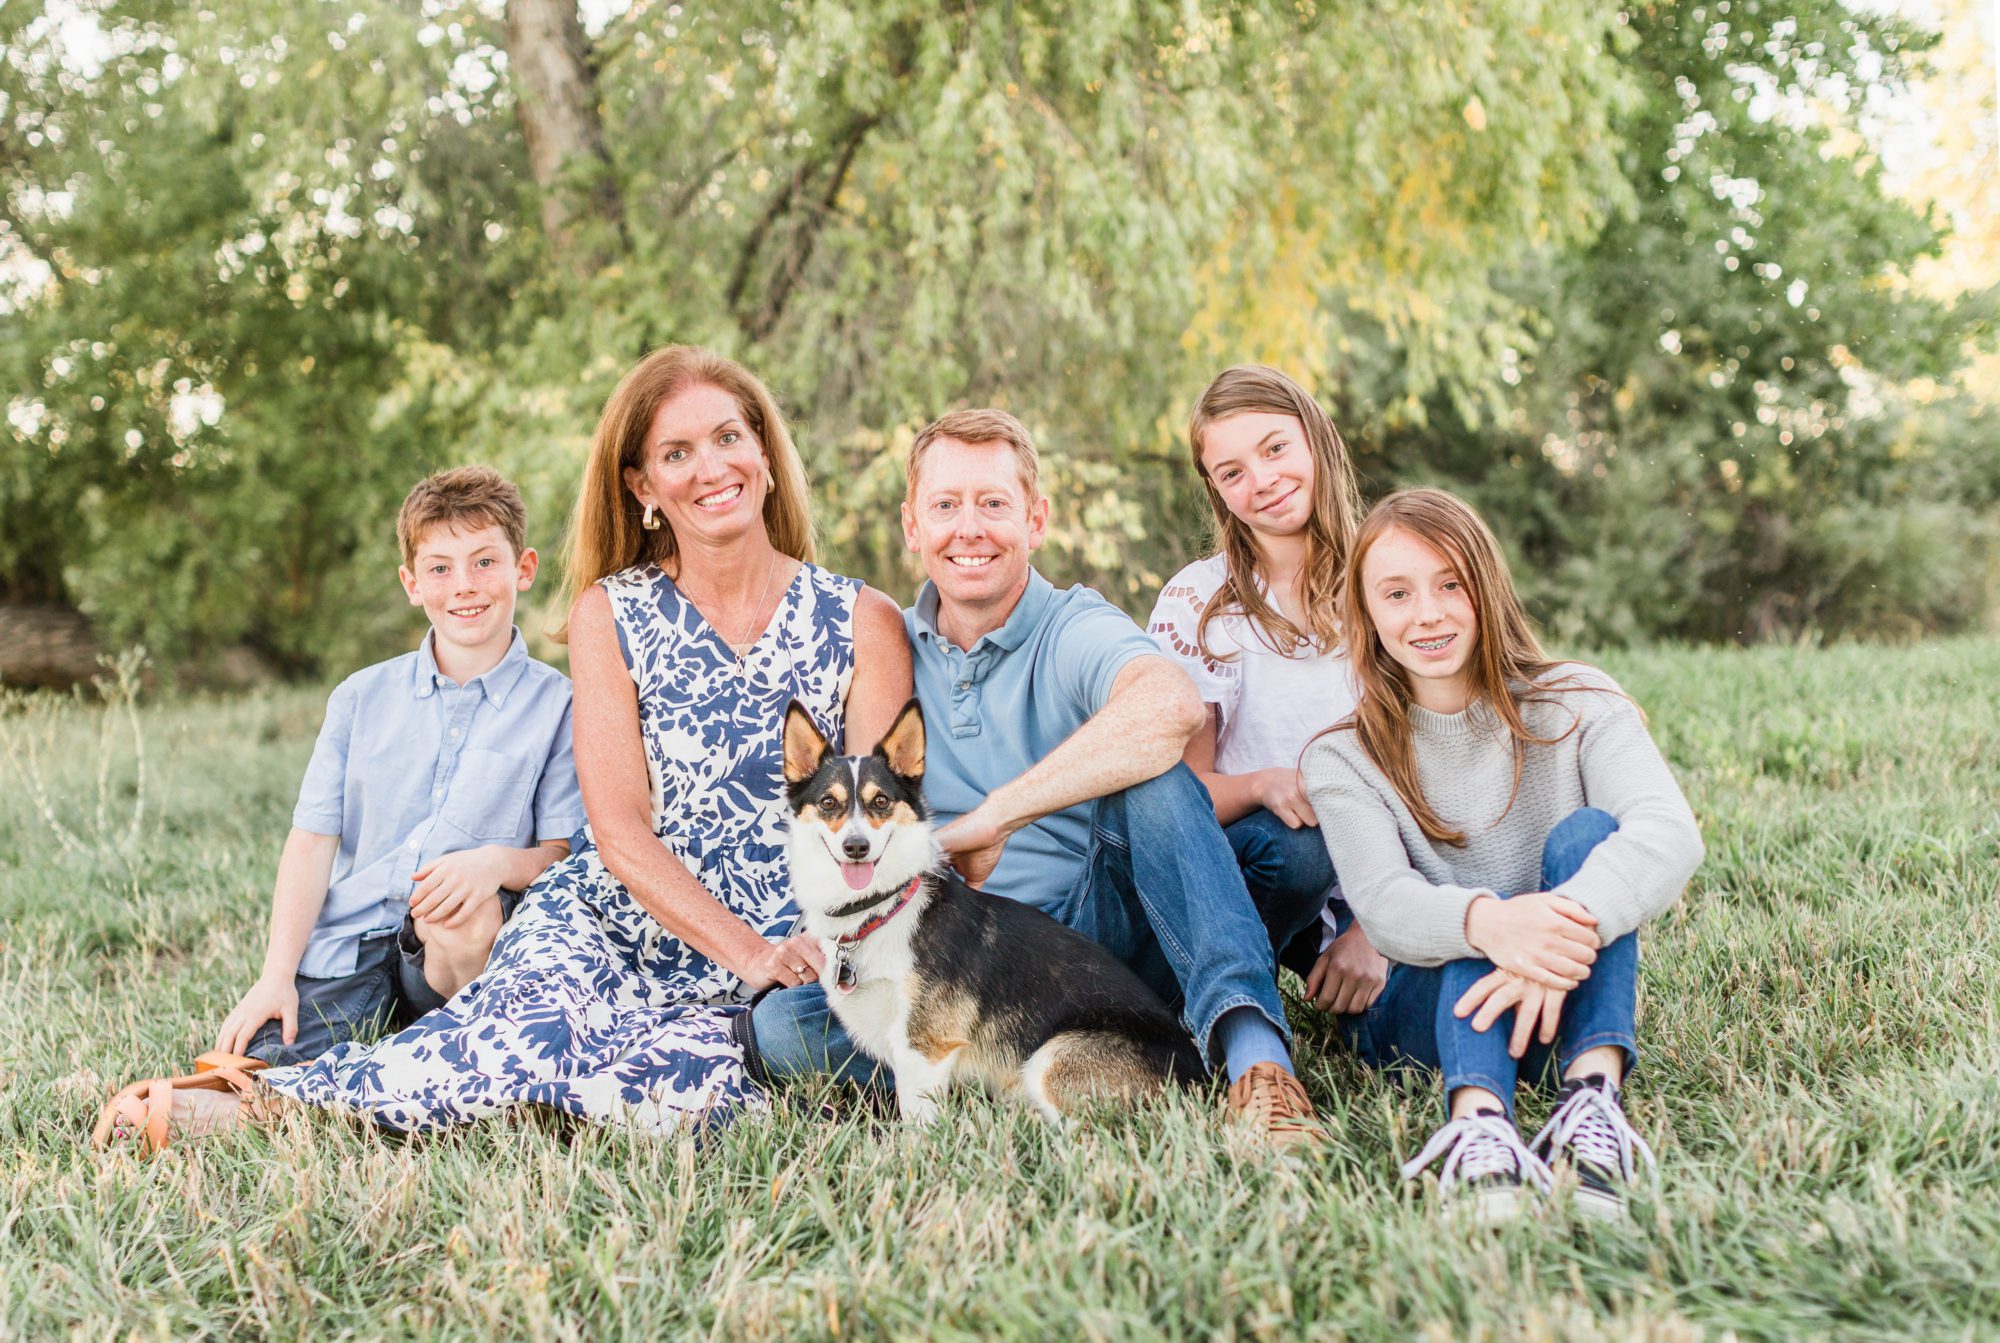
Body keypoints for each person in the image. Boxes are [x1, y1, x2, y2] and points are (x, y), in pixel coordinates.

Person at [95, 347, 910, 1150]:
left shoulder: (860, 617)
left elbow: (880, 833)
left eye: (729, 437)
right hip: (627, 910)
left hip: (792, 915)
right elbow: (619, 830)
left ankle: (533, 1098)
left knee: (687, 1074)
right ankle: (270, 1105)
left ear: (764, 451)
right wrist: (748, 953)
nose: (710, 467)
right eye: (676, 452)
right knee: (526, 1018)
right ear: (643, 486)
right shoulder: (611, 612)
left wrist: (803, 945)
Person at [742, 408, 1326, 1152]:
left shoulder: (1073, 624)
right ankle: (1041, 1066)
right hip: (956, 959)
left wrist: (997, 816)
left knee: (1190, 795)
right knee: (781, 1029)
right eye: (946, 505)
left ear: (1037, 519)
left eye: (994, 504)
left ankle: (1256, 1064)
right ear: (912, 526)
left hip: (1106, 929)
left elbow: (1169, 705)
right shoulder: (889, 643)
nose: (970, 527)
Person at [1300, 488, 1704, 1220]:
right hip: (1419, 1012)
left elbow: (1670, 831)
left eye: (1450, 583)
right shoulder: (1341, 756)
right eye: (1397, 593)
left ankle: (1590, 1106)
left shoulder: (1577, 699)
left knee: (1589, 838)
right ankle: (1477, 1126)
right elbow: (1387, 905)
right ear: (1367, 615)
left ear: (1485, 587)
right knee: (1456, 910)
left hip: (1557, 999)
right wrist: (1494, 924)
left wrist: (1555, 922)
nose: (1427, 613)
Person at [214, 465, 581, 1067]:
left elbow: (564, 852)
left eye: (485, 562)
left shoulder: (559, 705)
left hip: (465, 958)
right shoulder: (359, 698)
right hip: (350, 947)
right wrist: (276, 975)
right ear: (412, 583)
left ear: (525, 568)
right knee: (255, 1071)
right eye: (440, 568)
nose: (464, 585)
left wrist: (493, 863)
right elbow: (311, 843)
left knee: (464, 913)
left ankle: (464, 1063)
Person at [1147, 365, 1387, 1018]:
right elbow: (1177, 795)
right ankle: (1208, 1010)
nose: (1262, 482)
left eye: (1275, 448)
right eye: (1232, 472)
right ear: (1217, 490)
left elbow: (1433, 771)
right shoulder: (1204, 605)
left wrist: (1376, 930)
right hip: (1254, 865)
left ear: (1314, 438)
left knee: (1425, 1040)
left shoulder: (1389, 580)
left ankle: (1348, 966)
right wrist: (1259, 783)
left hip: (1379, 882)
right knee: (1296, 847)